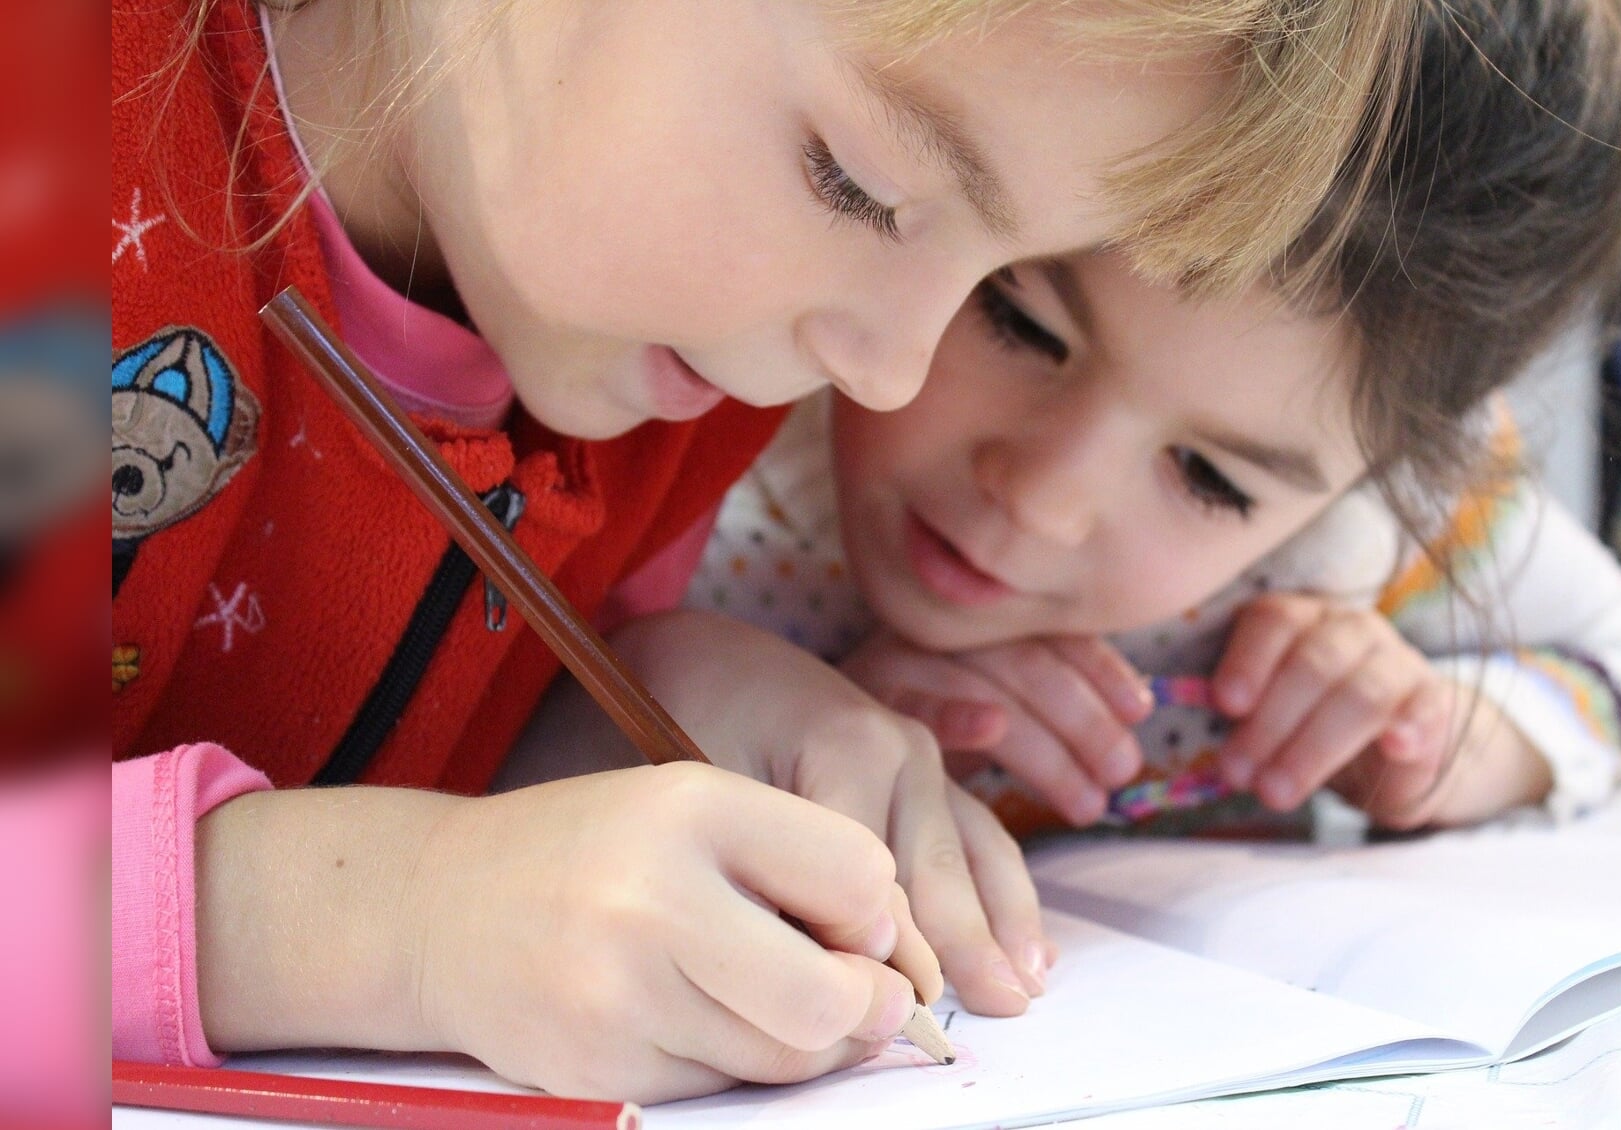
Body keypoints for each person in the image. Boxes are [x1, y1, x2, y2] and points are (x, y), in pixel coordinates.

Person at [109, 0, 1416, 1104]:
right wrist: (395, 921)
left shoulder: (671, 373)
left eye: (999, 272)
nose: (894, 371)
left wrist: (634, 706)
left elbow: (383, 739)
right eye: (863, 184)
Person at [682, 0, 1621, 849]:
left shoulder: (1380, 533)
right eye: (1019, 322)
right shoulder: (710, 399)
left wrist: (1454, 738)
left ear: (1380, 475)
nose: (1043, 498)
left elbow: (1612, 658)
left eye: (1211, 479)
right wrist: (754, 718)